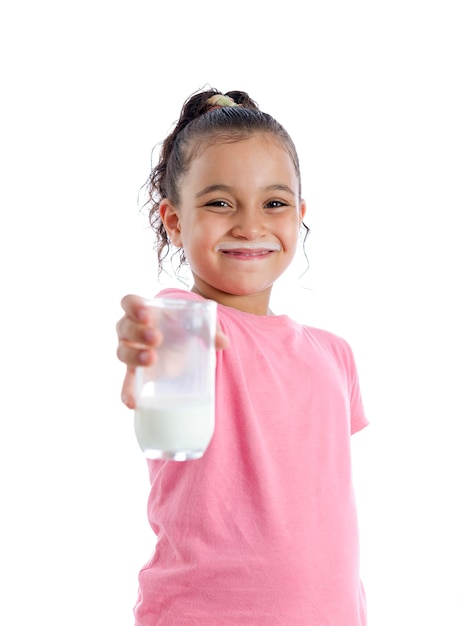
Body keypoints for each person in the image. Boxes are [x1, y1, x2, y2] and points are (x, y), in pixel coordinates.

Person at [116, 87, 369, 625]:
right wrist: (154, 350)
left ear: (299, 213)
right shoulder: (182, 324)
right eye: (219, 202)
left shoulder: (335, 354)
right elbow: (168, 429)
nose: (250, 225)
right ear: (175, 219)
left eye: (273, 203)